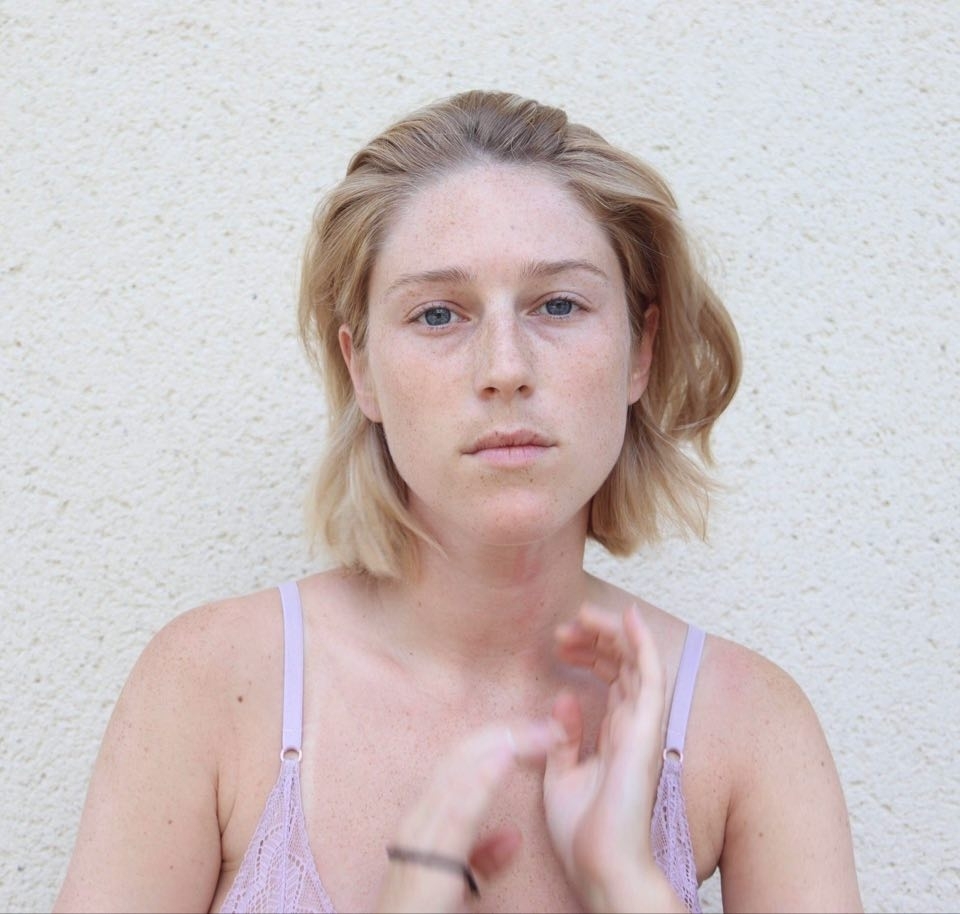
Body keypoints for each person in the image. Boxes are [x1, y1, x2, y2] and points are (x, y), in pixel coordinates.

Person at [53, 90, 862, 913]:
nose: (505, 368)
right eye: (438, 313)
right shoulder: (210, 685)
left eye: (559, 304)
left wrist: (627, 884)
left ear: (640, 351)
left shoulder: (750, 724)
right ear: (362, 369)